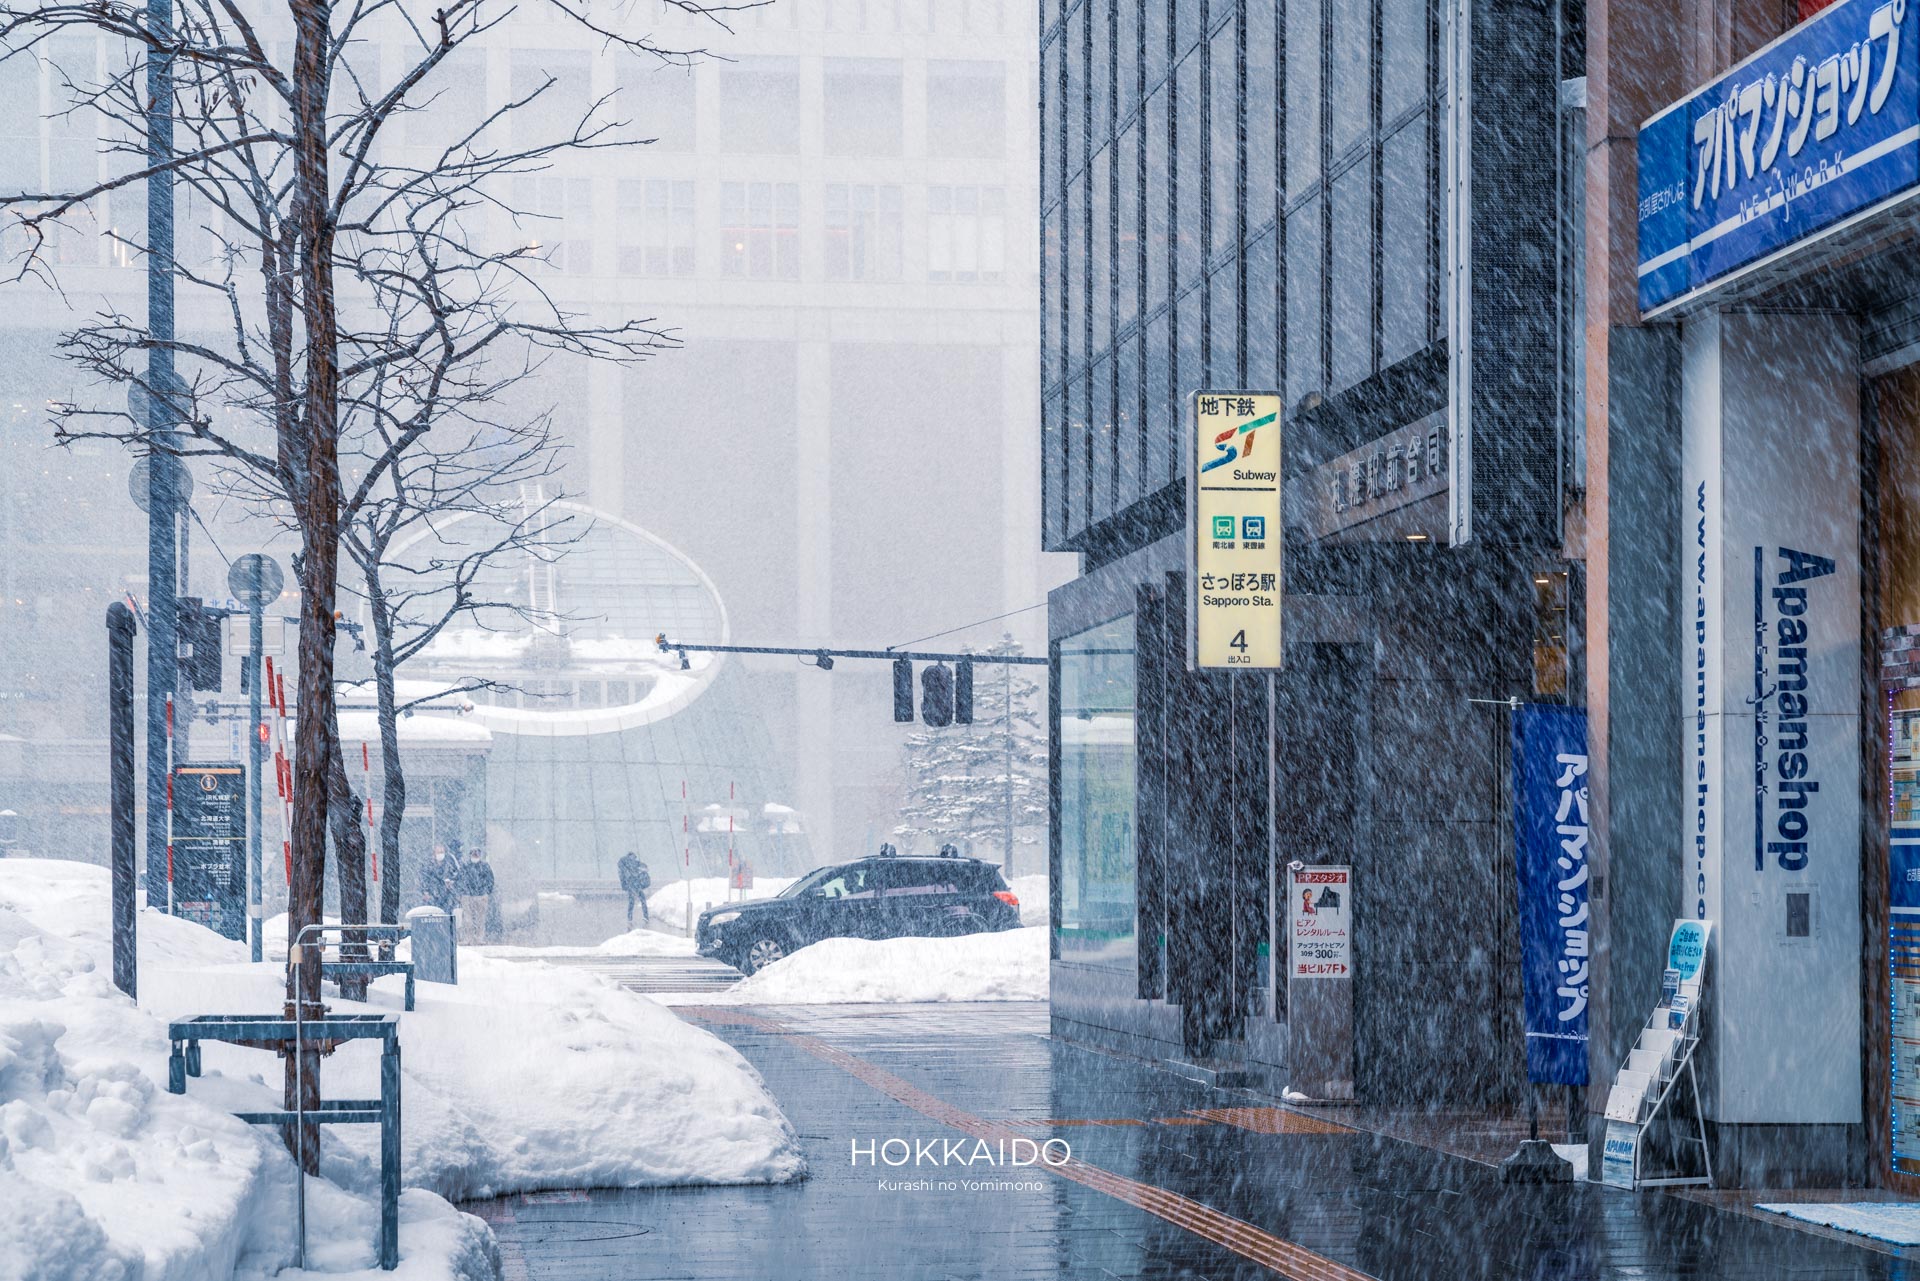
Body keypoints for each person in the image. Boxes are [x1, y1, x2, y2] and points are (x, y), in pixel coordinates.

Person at [455, 847, 495, 944]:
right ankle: (468, 938)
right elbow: (459, 880)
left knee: (480, 919)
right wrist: (462, 892)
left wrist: (486, 892)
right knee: (468, 920)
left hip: (481, 896)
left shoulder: (485, 866)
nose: (475, 856)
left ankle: (479, 938)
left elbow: (490, 880)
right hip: (467, 896)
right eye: (473, 854)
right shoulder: (465, 866)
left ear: (480, 855)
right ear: (470, 855)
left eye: (477, 854)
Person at [618, 851, 651, 926]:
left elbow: (644, 867)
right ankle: (644, 917)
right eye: (633, 856)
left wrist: (640, 870)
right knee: (638, 901)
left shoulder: (630, 863)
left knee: (634, 901)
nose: (634, 858)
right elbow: (644, 867)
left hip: (634, 885)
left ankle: (631, 918)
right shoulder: (626, 864)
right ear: (629, 856)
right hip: (633, 885)